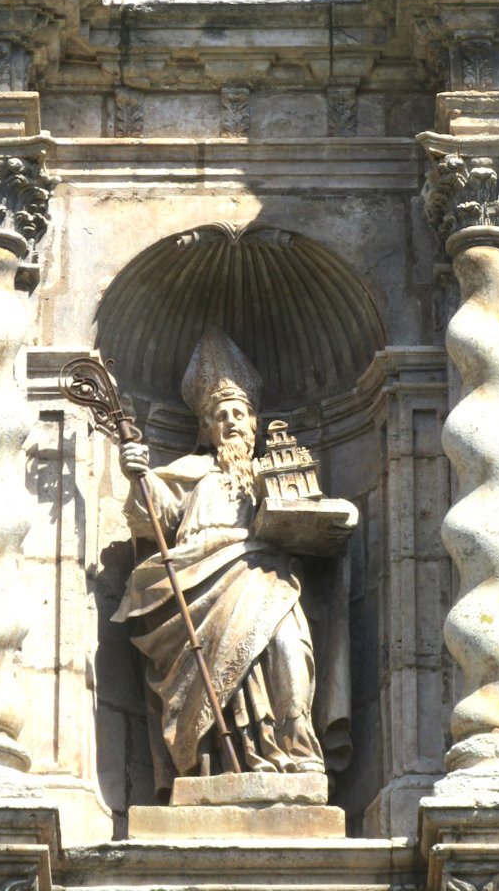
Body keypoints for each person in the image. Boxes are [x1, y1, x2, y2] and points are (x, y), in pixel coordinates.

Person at [113, 328, 327, 791]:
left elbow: (317, 512)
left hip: (268, 577)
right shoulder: (191, 472)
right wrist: (138, 472)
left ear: (254, 422)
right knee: (219, 669)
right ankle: (224, 763)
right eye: (219, 415)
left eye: (239, 413)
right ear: (205, 428)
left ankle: (293, 748)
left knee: (290, 651)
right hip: (198, 581)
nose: (230, 421)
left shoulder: (274, 471)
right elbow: (153, 515)